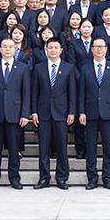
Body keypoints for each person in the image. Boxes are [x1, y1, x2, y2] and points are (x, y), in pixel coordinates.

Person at [0, 38, 30, 190]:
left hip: (15, 114)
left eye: (11, 47)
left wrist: (25, 114)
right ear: (0, 49)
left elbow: (26, 93)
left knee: (14, 149)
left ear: (15, 50)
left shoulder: (23, 68)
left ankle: (14, 178)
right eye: (5, 47)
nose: (8, 49)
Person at [32, 37, 76, 190]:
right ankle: (44, 178)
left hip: (61, 113)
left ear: (61, 50)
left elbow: (72, 92)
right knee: (43, 148)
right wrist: (34, 112)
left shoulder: (69, 68)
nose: (53, 50)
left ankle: (62, 178)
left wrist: (72, 112)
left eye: (56, 47)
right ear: (46, 50)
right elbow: (34, 92)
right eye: (50, 47)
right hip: (43, 113)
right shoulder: (38, 68)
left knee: (62, 148)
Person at [80, 37, 110, 190]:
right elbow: (81, 93)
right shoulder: (85, 68)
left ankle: (108, 178)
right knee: (90, 147)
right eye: (96, 46)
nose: (99, 49)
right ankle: (92, 178)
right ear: (91, 49)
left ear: (106, 49)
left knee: (109, 147)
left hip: (108, 112)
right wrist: (81, 112)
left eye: (101, 46)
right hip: (90, 112)